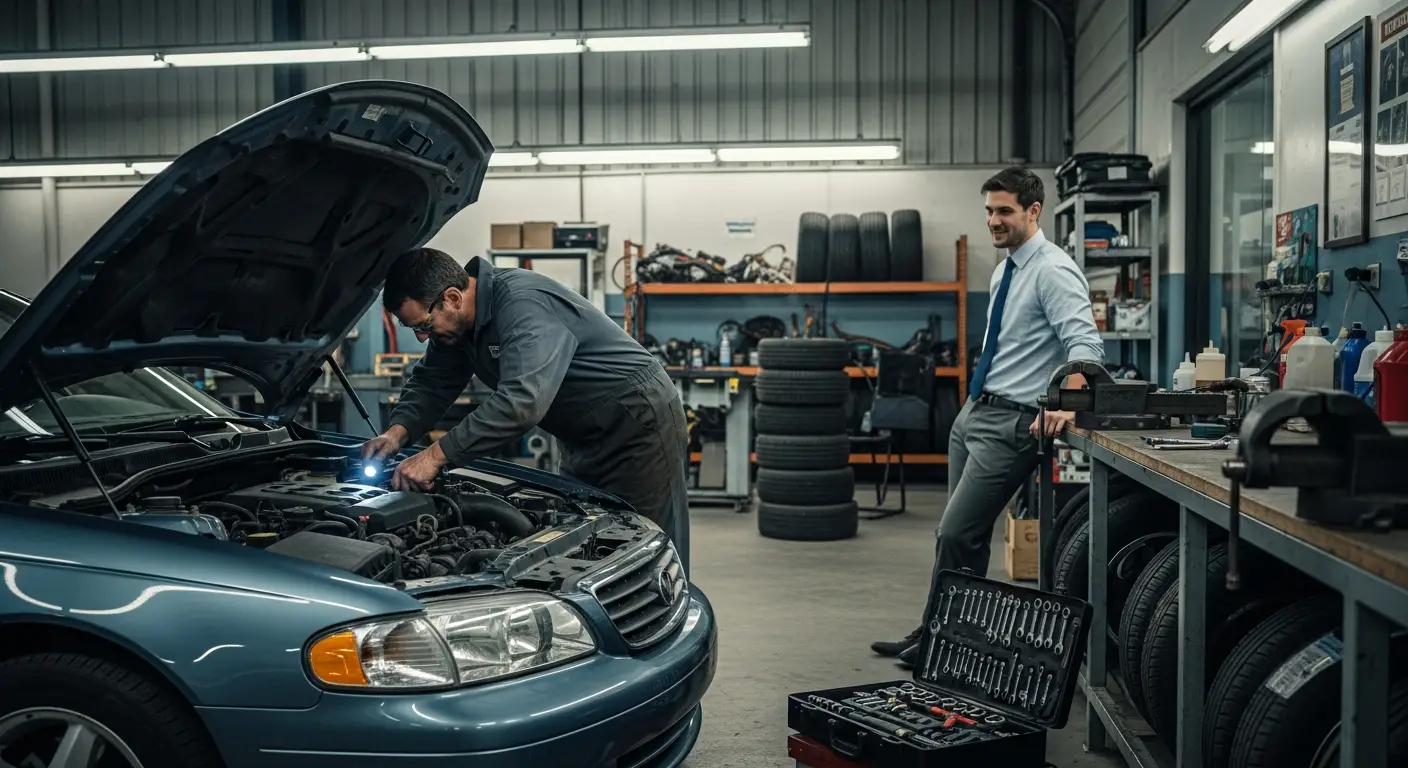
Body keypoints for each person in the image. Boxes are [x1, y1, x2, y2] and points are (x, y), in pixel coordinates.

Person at [870, 166, 1103, 663]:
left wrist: (1065, 401)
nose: (993, 221)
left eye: (1004, 211)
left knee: (957, 531)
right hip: (975, 412)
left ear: (1033, 211)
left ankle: (944, 638)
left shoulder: (1054, 269)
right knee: (955, 537)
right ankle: (940, 631)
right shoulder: (1006, 267)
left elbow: (1085, 344)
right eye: (989, 211)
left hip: (1012, 425)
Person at [362, 247, 692, 571]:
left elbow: (521, 402)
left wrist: (433, 456)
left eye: (424, 325)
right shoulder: (458, 328)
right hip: (581, 434)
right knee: (594, 543)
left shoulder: (522, 303)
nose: (421, 338)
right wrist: (396, 433)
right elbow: (433, 381)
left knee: (647, 544)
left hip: (635, 422)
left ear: (452, 297)